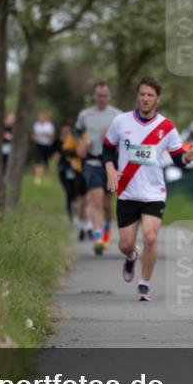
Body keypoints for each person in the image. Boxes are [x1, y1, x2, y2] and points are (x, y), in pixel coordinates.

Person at [104, 76, 193, 301]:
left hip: (153, 192)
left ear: (158, 99)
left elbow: (178, 158)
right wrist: (110, 167)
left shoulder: (166, 127)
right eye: (142, 94)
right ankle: (131, 258)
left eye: (150, 95)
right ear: (137, 96)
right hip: (127, 191)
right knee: (126, 244)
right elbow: (107, 149)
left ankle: (144, 284)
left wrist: (188, 157)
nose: (145, 99)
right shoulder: (121, 121)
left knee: (149, 237)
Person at [75, 82, 122, 255]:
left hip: (110, 164)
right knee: (96, 200)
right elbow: (78, 138)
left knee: (107, 204)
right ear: (94, 96)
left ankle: (107, 229)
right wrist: (83, 146)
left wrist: (111, 137)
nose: (102, 98)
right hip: (92, 163)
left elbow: (126, 141)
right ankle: (98, 238)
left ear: (109, 96)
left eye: (105, 96)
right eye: (99, 95)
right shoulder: (85, 116)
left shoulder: (117, 116)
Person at [55, 120, 90, 240]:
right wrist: (77, 153)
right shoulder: (72, 137)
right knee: (80, 200)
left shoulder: (90, 135)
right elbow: (66, 152)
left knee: (89, 200)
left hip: (91, 170)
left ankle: (88, 226)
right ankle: (82, 226)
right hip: (78, 171)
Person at [32, 111, 55, 184]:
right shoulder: (36, 125)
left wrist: (43, 134)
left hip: (47, 145)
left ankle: (47, 178)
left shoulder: (49, 125)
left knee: (46, 162)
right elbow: (34, 135)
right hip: (38, 144)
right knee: (37, 162)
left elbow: (51, 135)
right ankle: (37, 179)